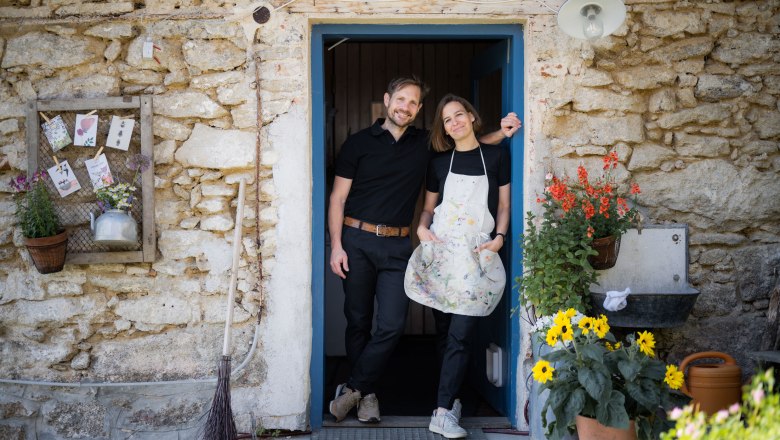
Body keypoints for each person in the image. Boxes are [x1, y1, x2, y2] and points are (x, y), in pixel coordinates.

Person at [328, 76, 520, 424]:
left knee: (391, 325)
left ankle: (354, 386)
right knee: (357, 321)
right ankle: (366, 395)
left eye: (413, 102)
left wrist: (503, 134)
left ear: (418, 110)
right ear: (387, 100)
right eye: (401, 99)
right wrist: (336, 246)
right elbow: (338, 198)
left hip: (399, 244)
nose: (406, 107)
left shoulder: (423, 146)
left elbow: (469, 147)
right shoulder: (358, 144)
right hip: (356, 240)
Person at [404, 94, 516, 439]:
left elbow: (503, 205)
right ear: (445, 129)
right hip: (441, 254)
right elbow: (427, 209)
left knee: (461, 333)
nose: (455, 122)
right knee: (445, 333)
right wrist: (421, 229)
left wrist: (499, 237)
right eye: (448, 119)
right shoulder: (439, 163)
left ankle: (440, 413)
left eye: (459, 115)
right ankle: (449, 400)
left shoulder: (496, 156)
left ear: (471, 116)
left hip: (474, 254)